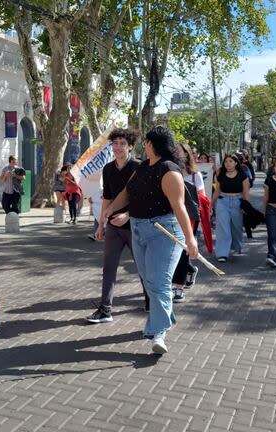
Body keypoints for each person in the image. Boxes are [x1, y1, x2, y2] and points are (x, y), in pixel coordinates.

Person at [99, 125, 198, 355]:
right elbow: (126, 192)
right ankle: (164, 320)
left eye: (147, 142)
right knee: (148, 279)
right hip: (139, 228)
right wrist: (110, 209)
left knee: (159, 280)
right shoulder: (143, 166)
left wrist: (191, 240)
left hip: (164, 231)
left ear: (153, 144)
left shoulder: (169, 171)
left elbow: (180, 208)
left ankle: (159, 332)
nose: (145, 145)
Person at [88, 128, 150, 323]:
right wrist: (100, 225)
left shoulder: (138, 167)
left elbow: (145, 198)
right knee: (109, 267)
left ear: (130, 146)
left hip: (135, 225)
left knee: (143, 267)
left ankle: (151, 300)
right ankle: (105, 309)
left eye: (122, 143)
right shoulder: (107, 169)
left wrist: (128, 215)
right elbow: (107, 197)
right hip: (114, 227)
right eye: (115, 143)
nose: (118, 147)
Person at [170, 142, 204, 303]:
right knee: (173, 251)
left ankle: (178, 287)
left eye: (180, 151)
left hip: (189, 217)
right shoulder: (167, 170)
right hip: (170, 216)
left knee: (183, 250)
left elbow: (201, 198)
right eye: (175, 151)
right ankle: (190, 270)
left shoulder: (194, 175)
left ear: (187, 154)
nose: (177, 154)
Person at [211, 154, 250, 262]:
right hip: (222, 201)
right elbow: (217, 190)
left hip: (238, 201)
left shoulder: (242, 175)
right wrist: (211, 204)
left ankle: (236, 246)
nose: (228, 163)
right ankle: (222, 253)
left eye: (231, 161)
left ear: (236, 163)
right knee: (223, 228)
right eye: (226, 161)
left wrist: (246, 206)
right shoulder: (220, 174)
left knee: (236, 227)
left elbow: (246, 192)